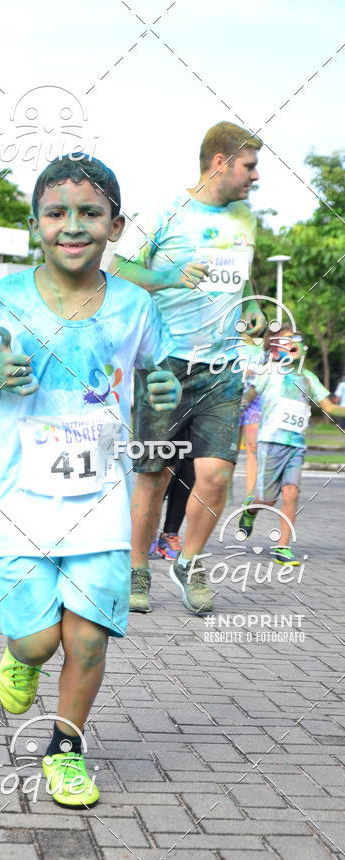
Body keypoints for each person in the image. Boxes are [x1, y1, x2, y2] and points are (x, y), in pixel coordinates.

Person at [0, 156, 180, 808]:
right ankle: (20, 658)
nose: (73, 225)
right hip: (22, 499)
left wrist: (164, 391)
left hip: (102, 500)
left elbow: (159, 373)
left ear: (115, 225)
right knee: (37, 641)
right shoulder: (5, 298)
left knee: (87, 637)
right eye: (56, 213)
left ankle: (65, 749)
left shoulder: (136, 306)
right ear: (36, 225)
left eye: (90, 213)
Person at [110, 121, 266, 615]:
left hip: (223, 367)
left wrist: (250, 308)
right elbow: (117, 269)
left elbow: (241, 280)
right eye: (249, 166)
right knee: (154, 474)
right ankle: (137, 569)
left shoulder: (244, 218)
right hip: (165, 364)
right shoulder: (165, 209)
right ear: (220, 162)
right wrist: (168, 277)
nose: (255, 176)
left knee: (216, 475)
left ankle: (189, 561)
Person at [238, 325, 345, 564]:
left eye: (297, 339)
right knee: (268, 500)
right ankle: (251, 510)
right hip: (271, 443)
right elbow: (248, 396)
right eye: (286, 340)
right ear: (275, 350)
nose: (293, 342)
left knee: (291, 493)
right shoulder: (268, 372)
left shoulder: (308, 378)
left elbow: (329, 407)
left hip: (296, 445)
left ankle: (282, 547)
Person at [237, 327, 267, 501]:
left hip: (255, 400)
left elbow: (271, 369)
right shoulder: (230, 342)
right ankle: (225, 489)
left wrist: (255, 372)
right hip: (231, 397)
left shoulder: (264, 346)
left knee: (253, 447)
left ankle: (249, 495)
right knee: (229, 449)